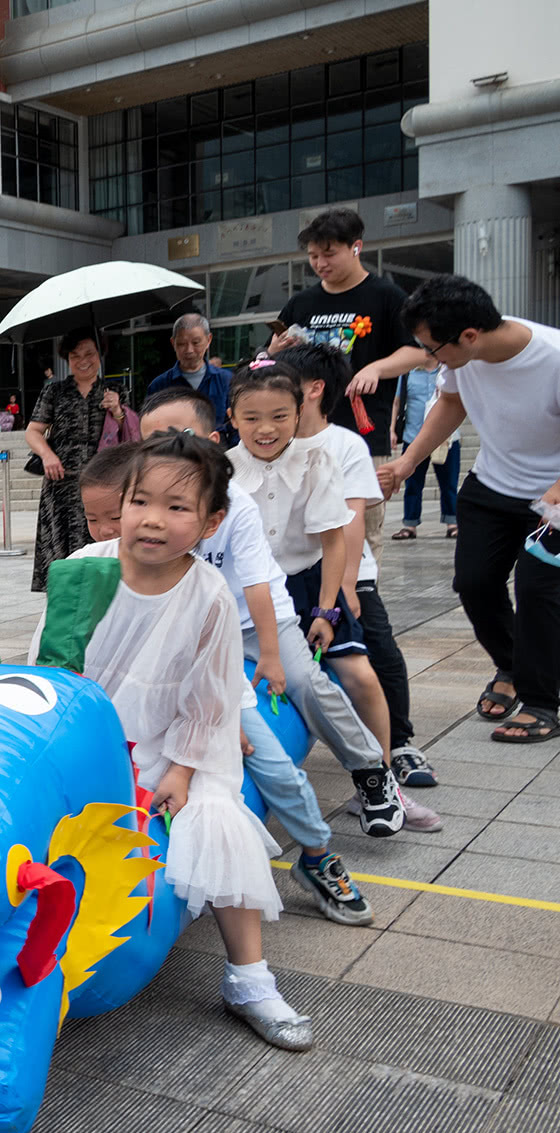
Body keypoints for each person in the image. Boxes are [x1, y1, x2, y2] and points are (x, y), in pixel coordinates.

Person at [45, 432, 311, 1049]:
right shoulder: (83, 569)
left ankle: (249, 977)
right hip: (91, 732)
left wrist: (183, 772)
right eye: (141, 501)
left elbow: (209, 698)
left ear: (212, 521)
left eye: (178, 507)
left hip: (177, 742)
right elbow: (51, 664)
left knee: (220, 822)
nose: (153, 521)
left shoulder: (210, 595)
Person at [135, 389, 378, 923]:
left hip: (226, 659)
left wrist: (231, 700)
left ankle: (318, 851)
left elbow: (252, 594)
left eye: (182, 439)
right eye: (133, 507)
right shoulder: (118, 546)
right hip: (158, 682)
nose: (148, 520)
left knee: (274, 757)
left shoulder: (225, 520)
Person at [225, 359, 408, 837]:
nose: (266, 429)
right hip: (232, 599)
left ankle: (373, 773)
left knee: (308, 680)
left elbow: (333, 542)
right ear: (232, 418)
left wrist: (327, 610)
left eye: (279, 416)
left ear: (300, 408)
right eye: (252, 418)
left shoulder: (317, 461)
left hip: (300, 587)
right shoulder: (220, 470)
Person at [379, 274, 560, 744]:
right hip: (494, 483)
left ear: (469, 336)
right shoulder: (462, 357)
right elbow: (451, 403)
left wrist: (555, 495)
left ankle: (543, 701)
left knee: (538, 590)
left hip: (554, 496)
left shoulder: (553, 357)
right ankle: (514, 665)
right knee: (474, 582)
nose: (428, 359)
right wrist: (406, 462)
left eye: (431, 349)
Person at [277, 342, 440, 798]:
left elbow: (349, 519)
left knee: (376, 659)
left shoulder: (344, 443)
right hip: (287, 577)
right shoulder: (271, 442)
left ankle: (399, 748)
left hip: (346, 573)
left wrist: (346, 584)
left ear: (312, 389)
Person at [276, 207, 433, 557]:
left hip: (364, 436)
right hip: (303, 437)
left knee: (361, 535)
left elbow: (420, 353)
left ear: (356, 247)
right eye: (313, 256)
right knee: (304, 535)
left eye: (329, 254)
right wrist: (273, 350)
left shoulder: (387, 296)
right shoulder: (301, 303)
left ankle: (359, 606)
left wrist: (376, 368)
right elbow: (273, 360)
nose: (320, 263)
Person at [24, 328, 119, 592]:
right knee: (60, 551)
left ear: (100, 355)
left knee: (103, 546)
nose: (83, 360)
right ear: (67, 358)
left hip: (103, 484)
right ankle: (62, 606)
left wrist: (118, 410)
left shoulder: (114, 390)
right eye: (75, 355)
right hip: (61, 483)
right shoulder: (55, 392)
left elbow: (132, 435)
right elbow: (33, 431)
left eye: (89, 353)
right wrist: (47, 455)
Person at [145, 312, 237, 447]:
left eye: (196, 342)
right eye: (182, 344)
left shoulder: (226, 380)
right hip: (176, 457)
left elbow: (237, 425)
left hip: (219, 455)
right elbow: (152, 430)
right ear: (173, 343)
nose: (189, 350)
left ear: (208, 340)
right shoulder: (160, 385)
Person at [391, 362, 458, 540]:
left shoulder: (447, 369)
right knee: (412, 483)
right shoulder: (407, 373)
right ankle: (410, 525)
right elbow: (397, 401)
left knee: (448, 482)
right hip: (413, 436)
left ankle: (452, 523)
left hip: (446, 437)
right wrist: (392, 429)